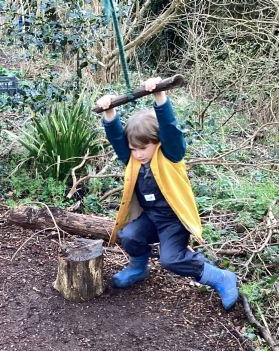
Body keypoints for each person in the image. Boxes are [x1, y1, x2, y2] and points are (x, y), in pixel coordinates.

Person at [97, 77, 238, 310]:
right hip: (151, 217)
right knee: (129, 235)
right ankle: (138, 268)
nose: (138, 154)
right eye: (133, 149)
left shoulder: (171, 155)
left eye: (143, 148)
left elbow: (170, 129)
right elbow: (117, 139)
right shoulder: (132, 159)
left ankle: (219, 277)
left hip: (173, 220)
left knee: (171, 260)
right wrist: (109, 112)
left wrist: (159, 95)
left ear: (157, 142)